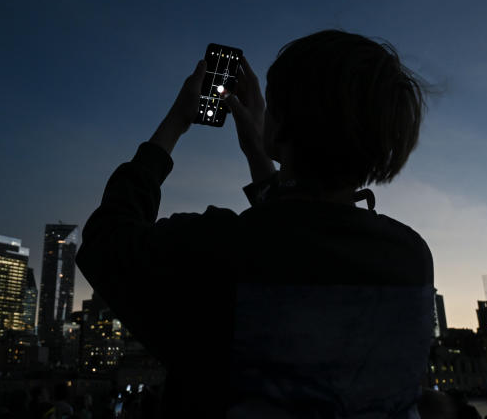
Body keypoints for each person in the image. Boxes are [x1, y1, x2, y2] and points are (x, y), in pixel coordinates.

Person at [76, 30, 435, 418]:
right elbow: (301, 236)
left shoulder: (217, 248)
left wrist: (176, 122)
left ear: (280, 126)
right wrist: (262, 155)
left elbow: (105, 240)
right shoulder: (410, 260)